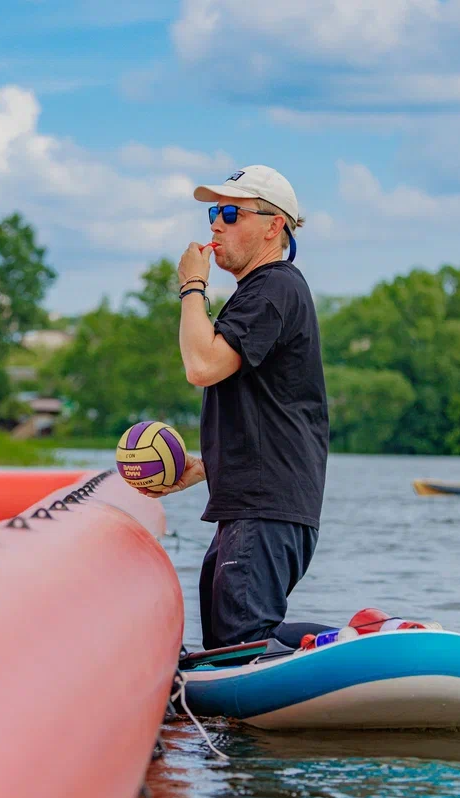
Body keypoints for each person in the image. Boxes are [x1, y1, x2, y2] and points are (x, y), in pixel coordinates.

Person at [139, 164, 336, 652]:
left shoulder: (274, 287)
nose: (215, 225)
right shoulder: (264, 292)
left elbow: (201, 366)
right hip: (259, 502)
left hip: (264, 509)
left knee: (242, 643)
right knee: (230, 639)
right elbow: (272, 414)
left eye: (230, 212)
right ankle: (351, 640)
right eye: (213, 212)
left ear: (274, 226)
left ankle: (371, 646)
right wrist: (209, 466)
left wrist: (191, 287)